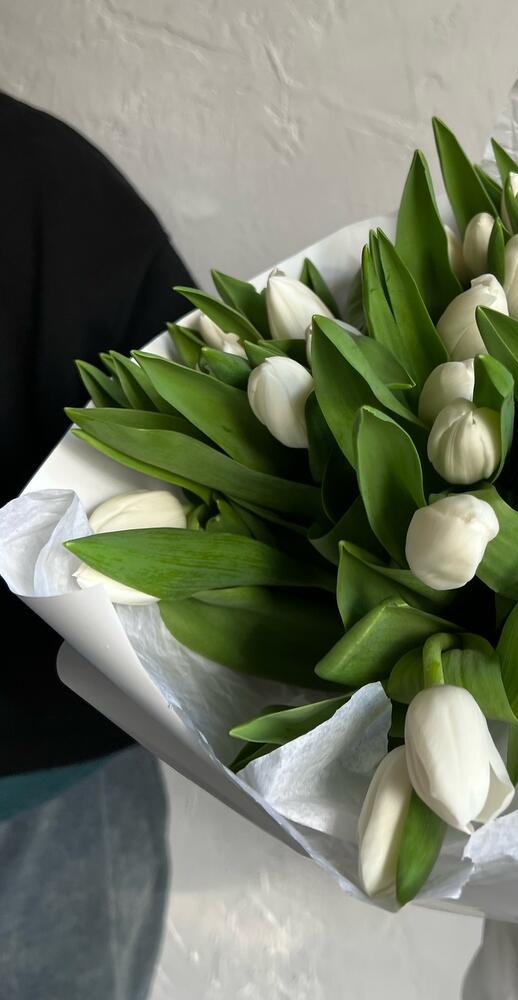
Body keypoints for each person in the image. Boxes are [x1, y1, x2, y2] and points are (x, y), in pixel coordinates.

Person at [0, 93, 192, 999]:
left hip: (51, 792)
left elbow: (207, 498)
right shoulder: (55, 181)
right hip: (56, 783)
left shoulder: (56, 187)